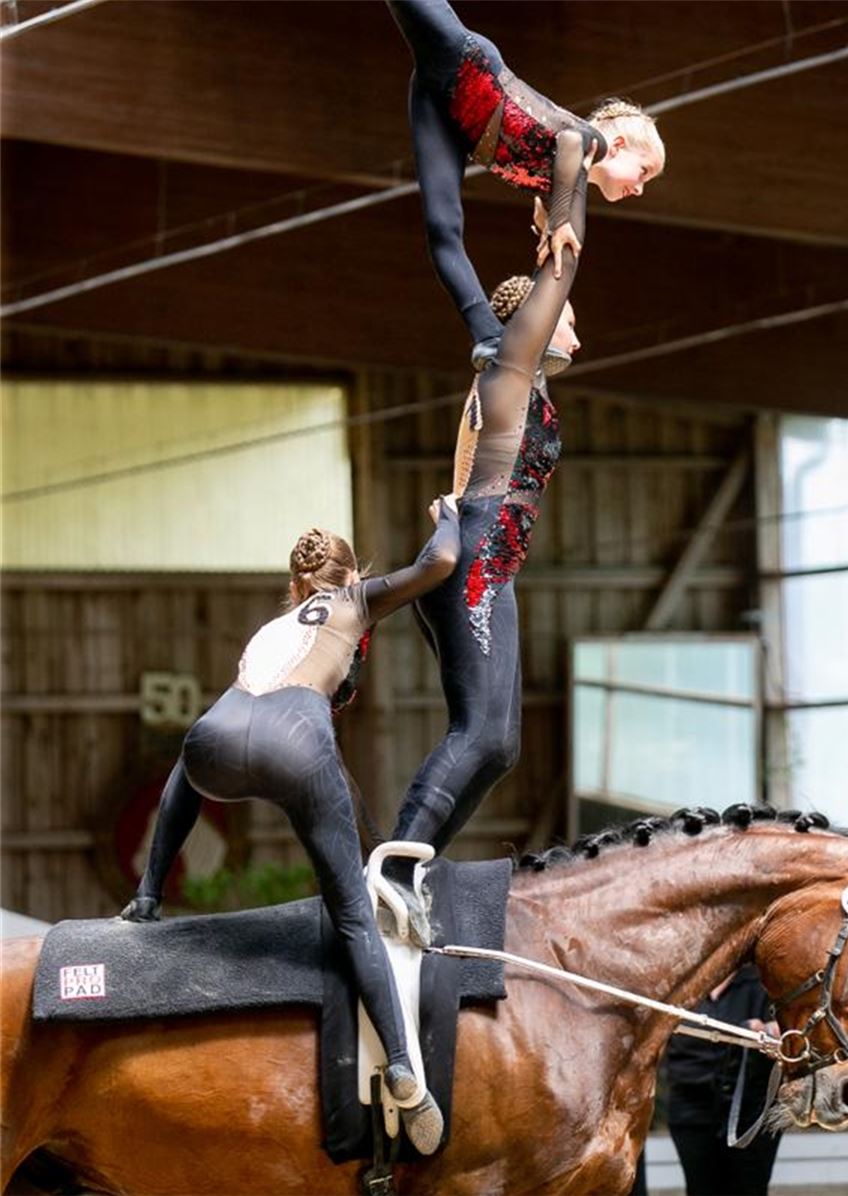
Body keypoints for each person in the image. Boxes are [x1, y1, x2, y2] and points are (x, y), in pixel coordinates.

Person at [119, 506, 461, 1155]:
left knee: (185, 767)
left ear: (297, 584)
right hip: (297, 743)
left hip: (213, 740)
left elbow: (323, 784)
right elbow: (439, 565)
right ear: (349, 573)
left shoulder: (273, 627)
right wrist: (446, 517)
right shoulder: (355, 598)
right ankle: (405, 1074)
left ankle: (145, 901)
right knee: (356, 920)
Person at [386, 133, 589, 876]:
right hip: (473, 559)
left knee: (500, 746)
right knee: (477, 733)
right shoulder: (510, 366)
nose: (574, 325)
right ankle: (396, 868)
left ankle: (418, 866)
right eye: (563, 315)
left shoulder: (520, 387)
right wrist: (576, 166)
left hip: (488, 563)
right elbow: (562, 265)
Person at [386, 0, 665, 368]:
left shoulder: (562, 178)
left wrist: (548, 207)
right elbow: (569, 145)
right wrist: (562, 217)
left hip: (443, 106)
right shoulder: (591, 140)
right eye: (643, 171)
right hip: (473, 69)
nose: (640, 189)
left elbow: (552, 173)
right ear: (618, 147)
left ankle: (486, 336)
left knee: (443, 229)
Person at [664, 964, 783, 1196]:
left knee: (749, 1189)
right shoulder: (681, 985)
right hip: (691, 1107)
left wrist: (772, 1032)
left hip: (751, 1109)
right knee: (700, 1188)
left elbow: (787, 1029)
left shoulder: (764, 984)